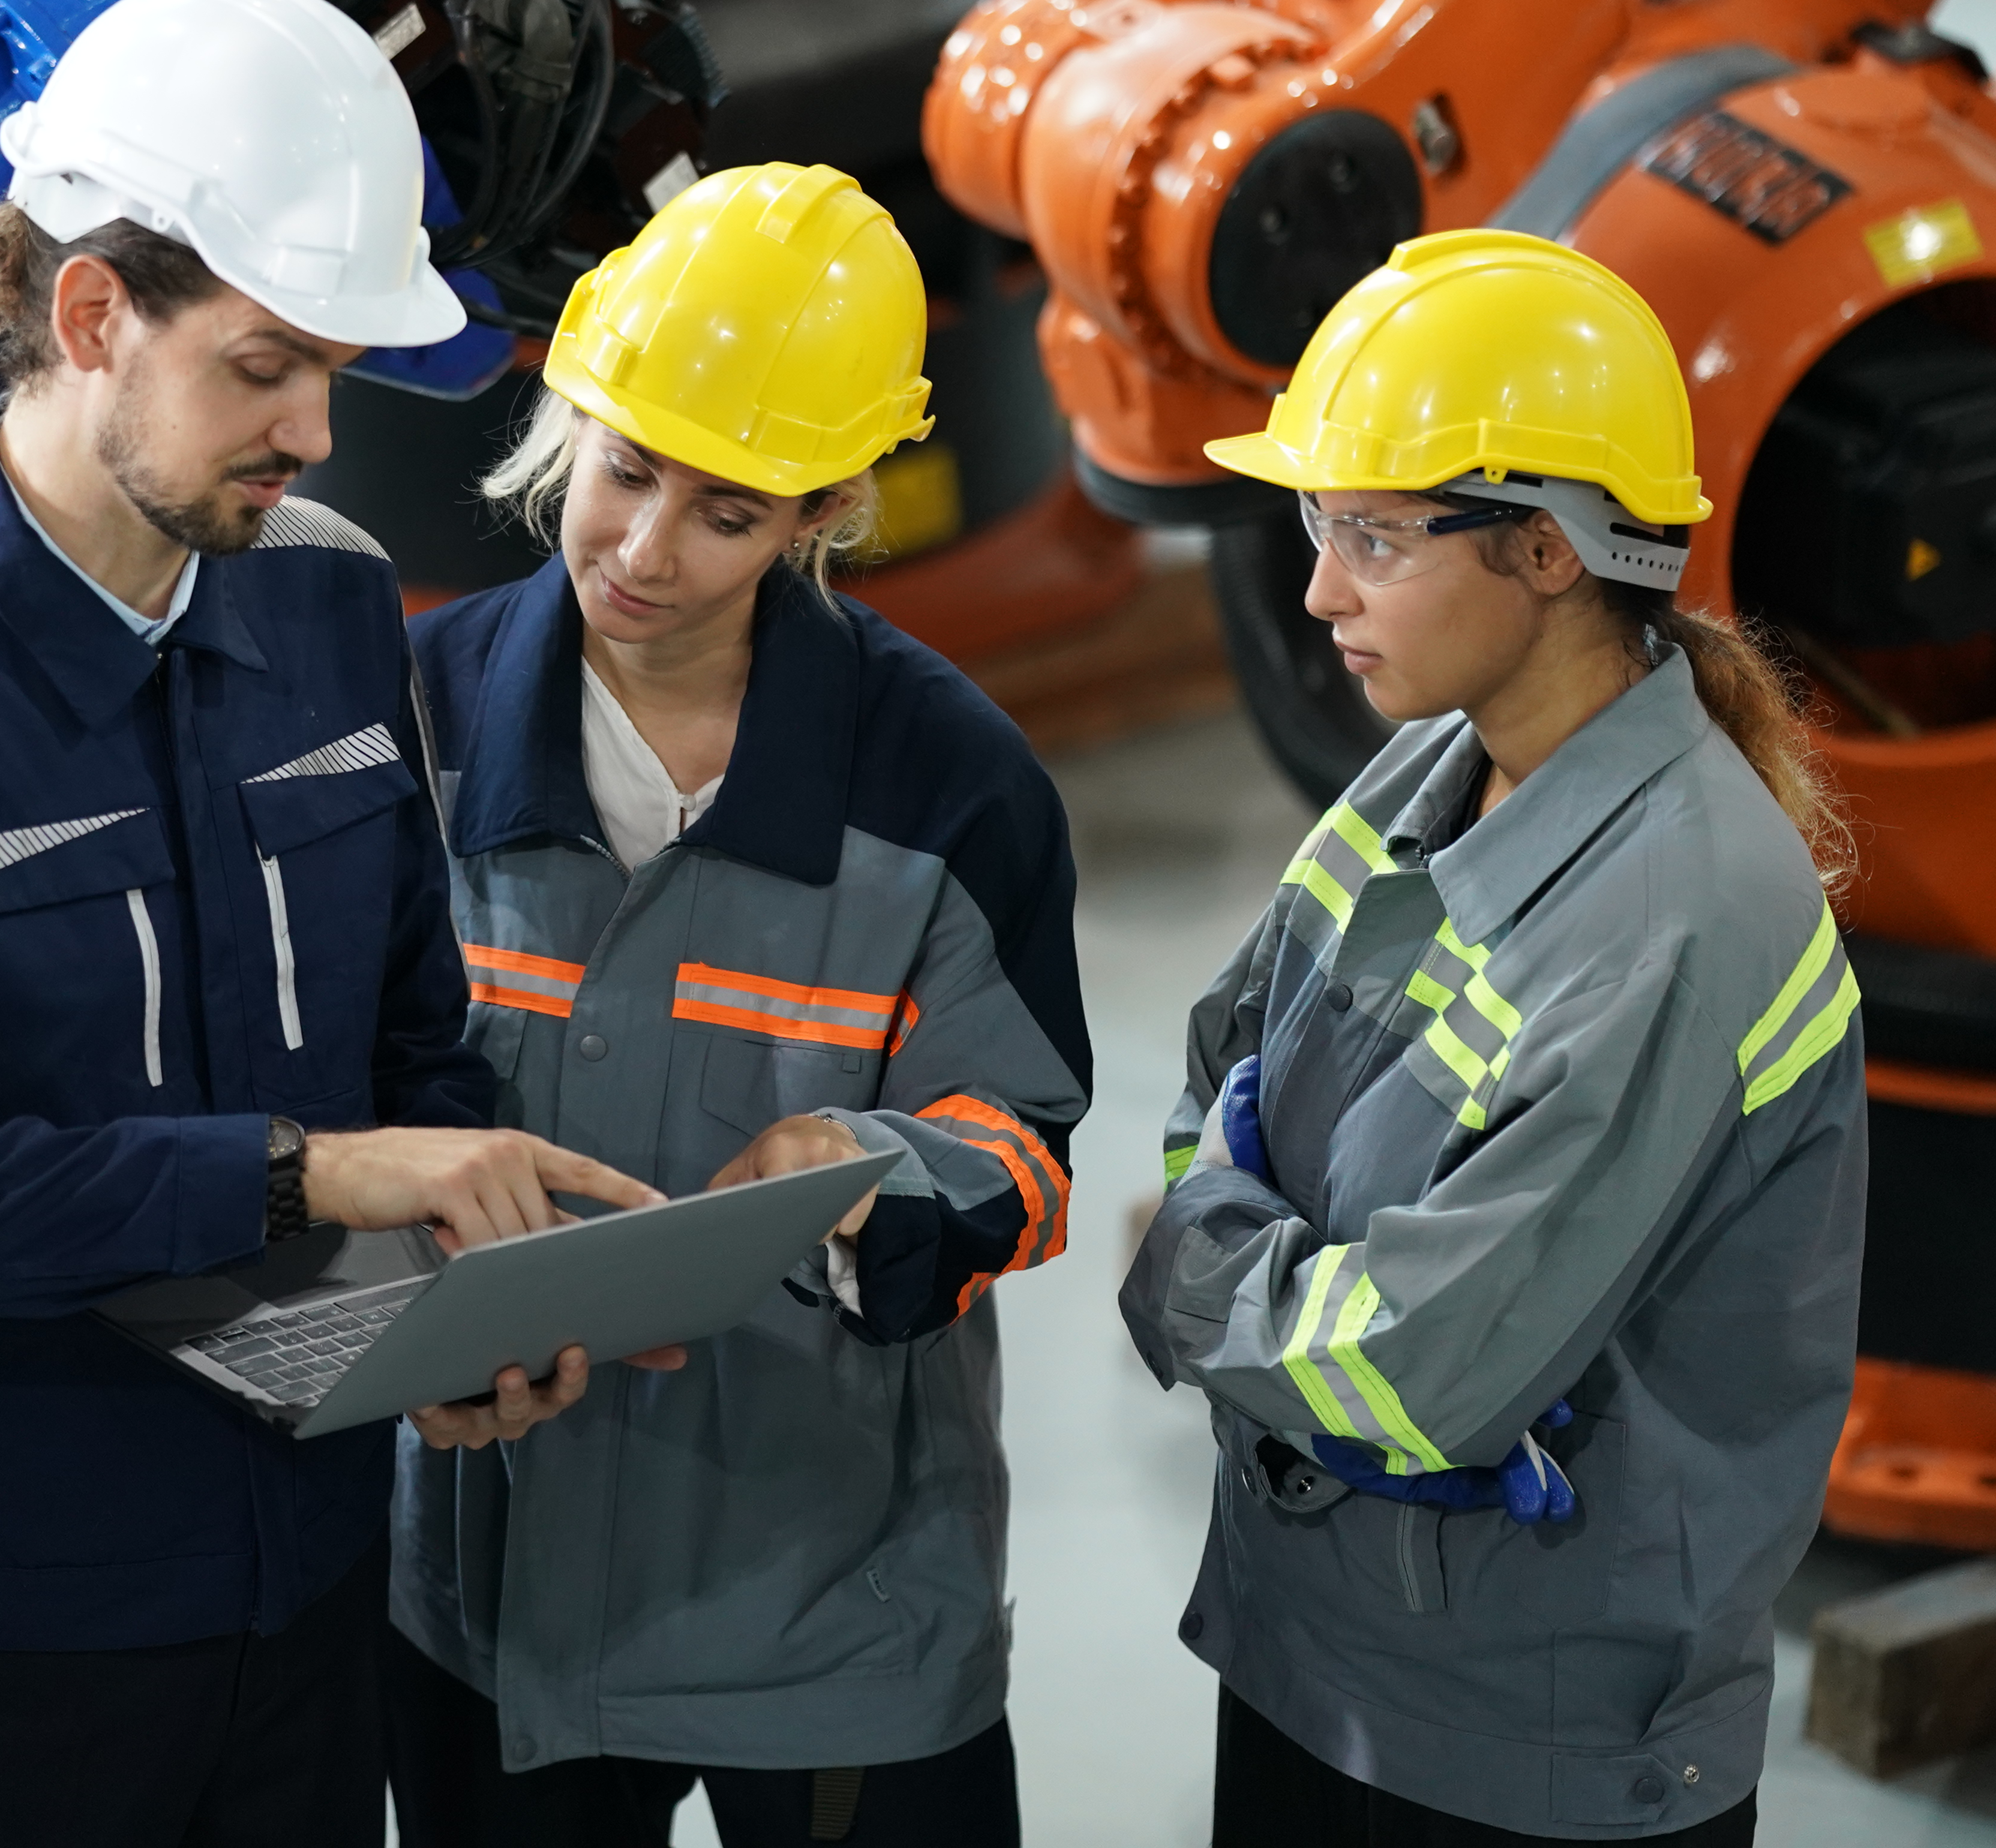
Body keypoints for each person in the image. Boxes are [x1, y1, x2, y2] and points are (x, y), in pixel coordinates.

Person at [0, 0, 660, 1848]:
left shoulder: (323, 599)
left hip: (303, 1587)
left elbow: (413, 1047)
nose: (313, 428)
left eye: (335, 374)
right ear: (89, 313)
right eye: (263, 366)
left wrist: (465, 1296)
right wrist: (315, 1175)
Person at [1122, 229, 1868, 1845]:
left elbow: (1414, 1371)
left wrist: (1199, 1268)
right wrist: (1255, 1247)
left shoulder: (1677, 919)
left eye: (1375, 538)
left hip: (1527, 1744)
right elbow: (1213, 1073)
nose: (1319, 589)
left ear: (1546, 552)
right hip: (1315, 1646)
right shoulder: (1431, 770)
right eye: (1320, 524)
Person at [389, 162, 1092, 1847]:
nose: (640, 551)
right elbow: (332, 1100)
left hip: (833, 1595)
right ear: (570, 410)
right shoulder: (418, 721)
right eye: (624, 471)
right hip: (491, 1600)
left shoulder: (949, 788)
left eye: (727, 512)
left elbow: (1029, 1147)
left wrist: (862, 1172)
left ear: (827, 514)